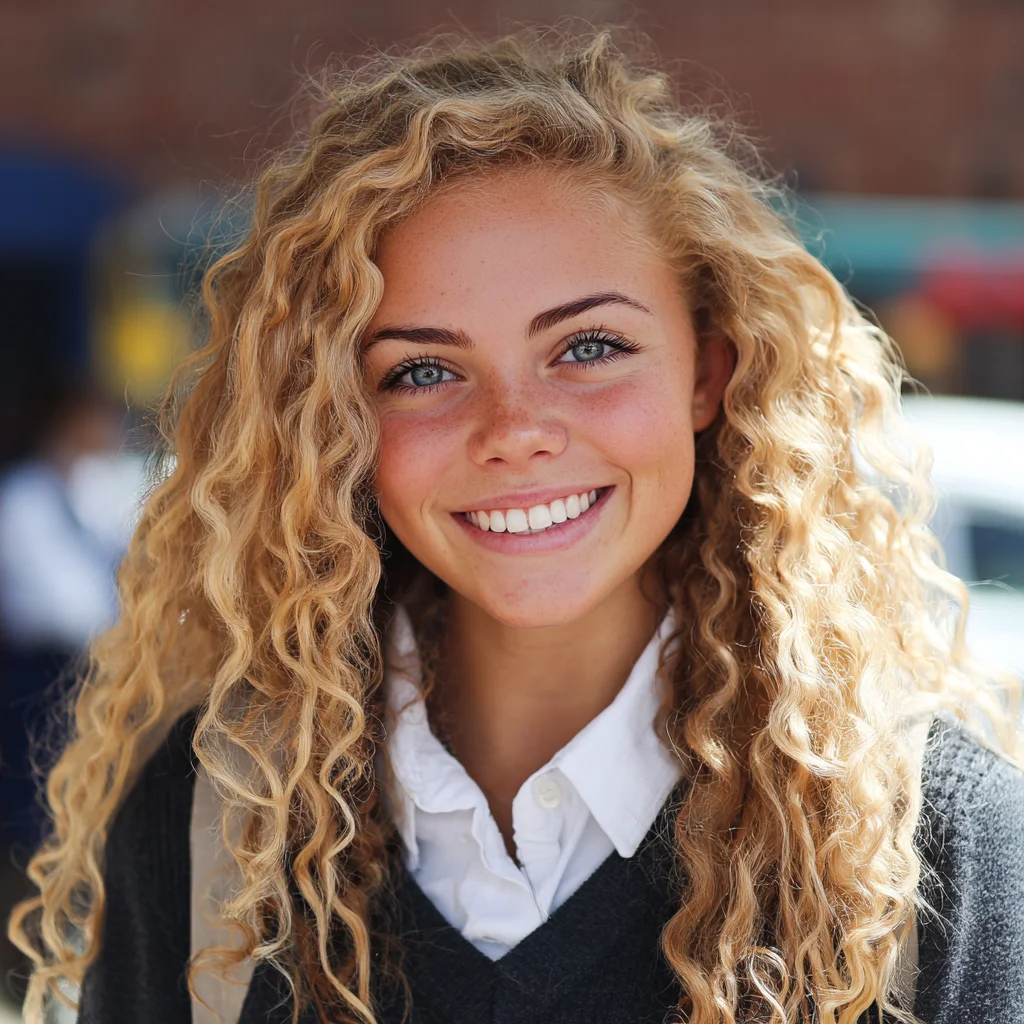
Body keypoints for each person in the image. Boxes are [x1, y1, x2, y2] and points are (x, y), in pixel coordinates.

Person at [9, 26, 1024, 1024]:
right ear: (336, 422)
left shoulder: (922, 845)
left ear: (707, 375)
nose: (515, 431)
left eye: (588, 346)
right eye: (422, 370)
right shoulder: (210, 819)